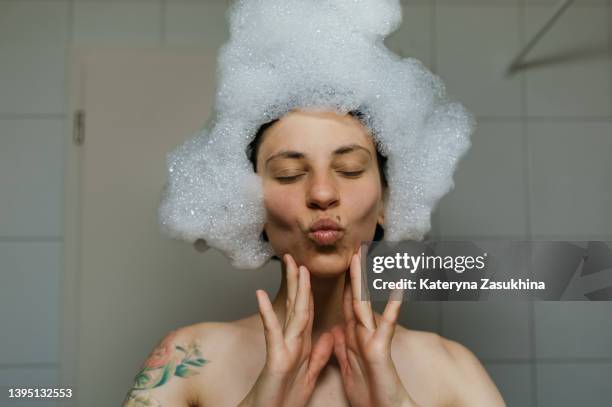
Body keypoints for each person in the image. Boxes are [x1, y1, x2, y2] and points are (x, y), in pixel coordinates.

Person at [122, 109, 505, 407]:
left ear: (387, 202)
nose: (322, 192)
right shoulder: (189, 359)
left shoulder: (451, 369)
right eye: (289, 174)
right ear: (252, 208)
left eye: (350, 169)